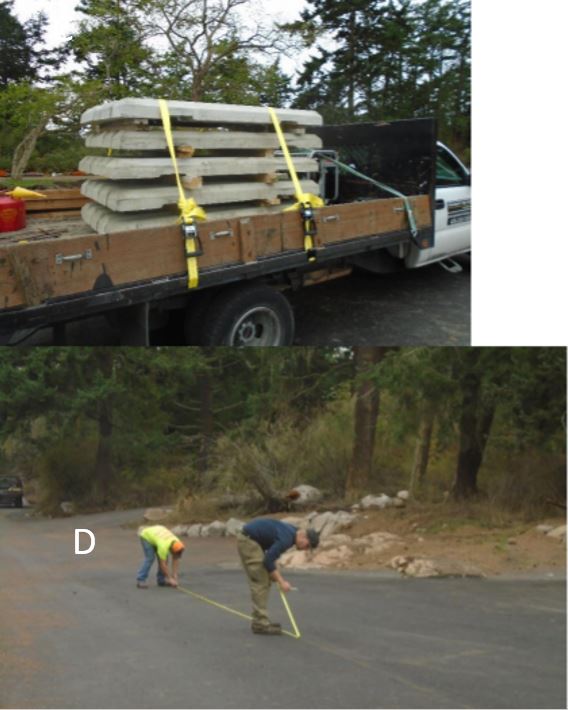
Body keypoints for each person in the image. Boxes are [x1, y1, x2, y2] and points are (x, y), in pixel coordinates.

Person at [237, 518, 319, 635]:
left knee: (266, 578)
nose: (305, 549)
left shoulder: (292, 532)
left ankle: (260, 620)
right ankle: (260, 623)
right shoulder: (287, 538)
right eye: (308, 546)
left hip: (250, 540)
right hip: (249, 541)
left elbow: (271, 555)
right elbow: (268, 561)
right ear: (304, 537)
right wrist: (281, 581)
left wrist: (275, 575)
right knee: (261, 581)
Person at [136, 524, 185, 589]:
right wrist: (170, 579)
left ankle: (161, 580)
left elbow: (176, 558)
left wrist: (174, 575)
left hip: (158, 535)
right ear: (171, 549)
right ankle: (141, 579)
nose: (175, 555)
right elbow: (163, 565)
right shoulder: (163, 547)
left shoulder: (177, 542)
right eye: (174, 553)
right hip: (146, 536)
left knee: (164, 558)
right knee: (150, 558)